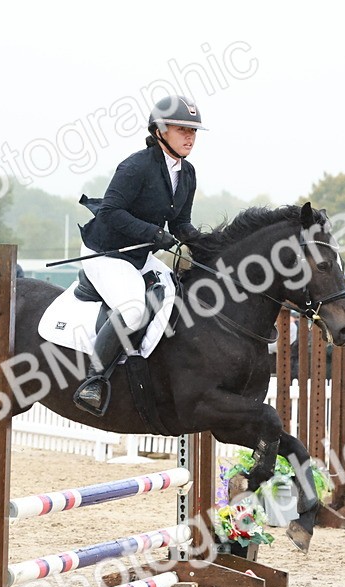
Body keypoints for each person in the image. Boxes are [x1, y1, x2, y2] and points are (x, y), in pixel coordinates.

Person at [72, 95, 204, 416]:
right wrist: (153, 233)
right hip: (106, 252)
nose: (189, 136)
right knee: (132, 309)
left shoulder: (186, 173)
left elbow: (181, 223)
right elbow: (109, 211)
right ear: (160, 131)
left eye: (194, 131)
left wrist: (209, 245)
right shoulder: (136, 166)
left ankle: (143, 364)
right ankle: (94, 381)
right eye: (181, 129)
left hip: (139, 254)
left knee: (174, 292)